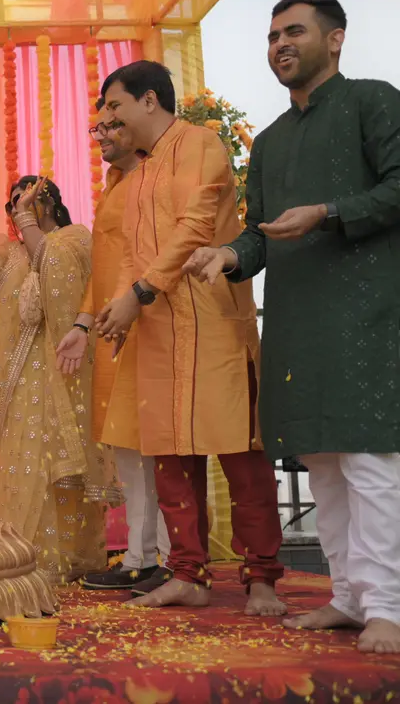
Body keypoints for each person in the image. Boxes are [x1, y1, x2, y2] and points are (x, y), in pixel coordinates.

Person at [184, 0, 400, 652]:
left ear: (335, 39)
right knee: (322, 462)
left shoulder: (372, 101)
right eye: (273, 35)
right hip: (297, 319)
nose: (279, 43)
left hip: (367, 312)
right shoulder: (272, 141)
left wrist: (327, 212)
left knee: (368, 460)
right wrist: (228, 255)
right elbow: (260, 232)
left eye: (294, 31)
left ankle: (389, 607)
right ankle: (350, 597)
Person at [94, 60, 285, 616]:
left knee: (239, 453)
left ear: (149, 100)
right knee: (170, 458)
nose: (109, 118)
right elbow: (131, 255)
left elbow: (196, 228)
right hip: (157, 331)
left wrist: (139, 293)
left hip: (212, 323)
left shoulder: (200, 144)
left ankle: (262, 578)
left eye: (114, 105)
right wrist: (122, 310)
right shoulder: (139, 173)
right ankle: (187, 574)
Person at [0, 179, 119, 583]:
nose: (18, 212)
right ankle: (24, 553)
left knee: (59, 461)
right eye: (13, 206)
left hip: (62, 365)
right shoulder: (9, 251)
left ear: (48, 203)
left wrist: (26, 221)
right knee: (25, 459)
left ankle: (65, 555)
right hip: (18, 371)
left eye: (26, 203)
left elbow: (51, 265)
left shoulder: (74, 238)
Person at [56, 112, 171, 595]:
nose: (100, 135)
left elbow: (152, 259)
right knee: (126, 445)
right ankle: (142, 558)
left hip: (146, 324)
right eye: (96, 128)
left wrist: (126, 307)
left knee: (155, 447)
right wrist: (83, 323)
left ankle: (166, 558)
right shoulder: (116, 184)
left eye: (110, 125)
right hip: (110, 330)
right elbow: (103, 270)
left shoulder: (155, 179)